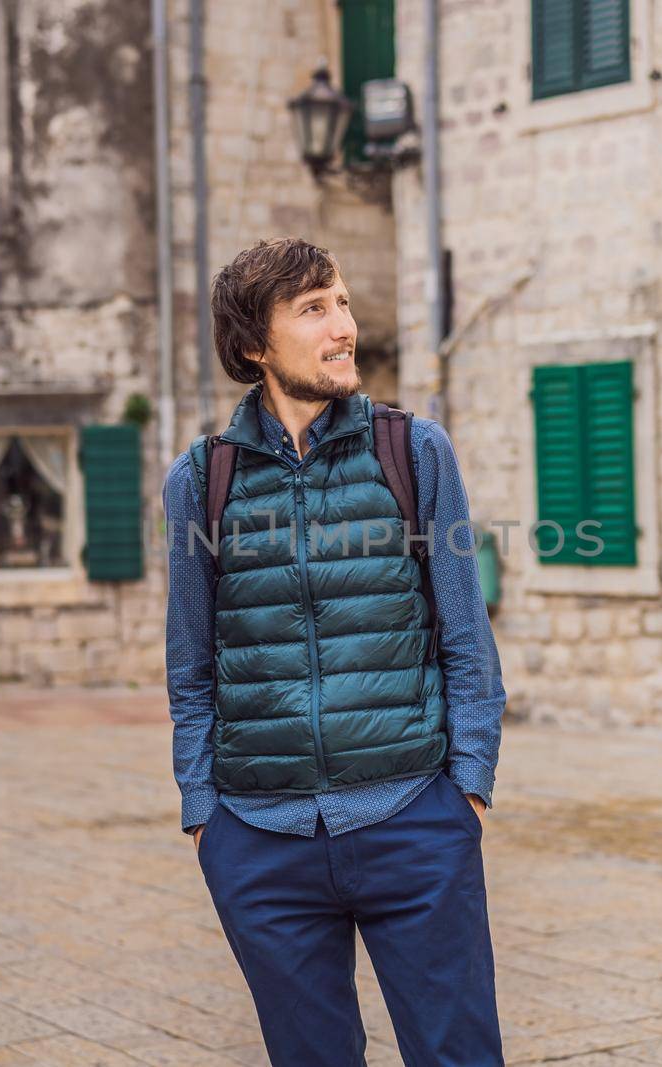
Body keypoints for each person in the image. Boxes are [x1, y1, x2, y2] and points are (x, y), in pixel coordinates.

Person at [161, 237, 506, 1066]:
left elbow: (466, 640)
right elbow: (191, 665)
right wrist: (206, 814)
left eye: (344, 303)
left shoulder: (413, 451)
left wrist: (468, 791)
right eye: (314, 308)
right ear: (254, 344)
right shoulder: (199, 480)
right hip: (261, 837)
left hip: (415, 821)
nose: (343, 324)